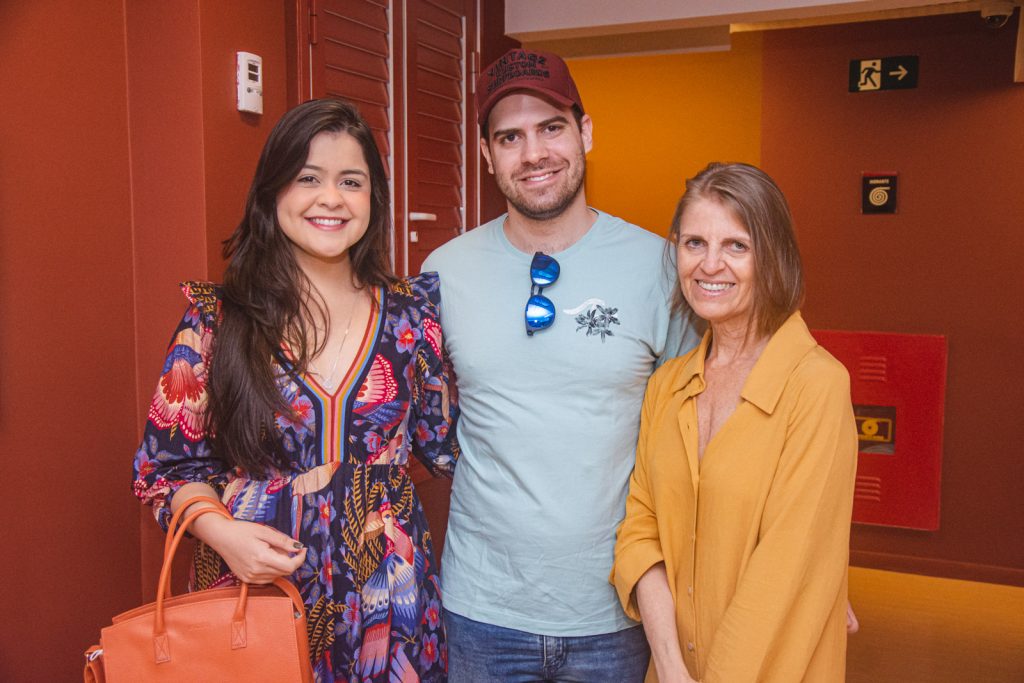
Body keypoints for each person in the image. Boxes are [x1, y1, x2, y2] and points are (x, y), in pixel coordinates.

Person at [132, 98, 460, 683]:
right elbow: (165, 470)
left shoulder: (414, 316)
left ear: (373, 200)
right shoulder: (217, 320)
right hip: (249, 600)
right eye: (308, 177)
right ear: (273, 191)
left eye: (350, 181)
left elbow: (443, 446)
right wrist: (223, 532)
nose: (330, 198)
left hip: (389, 611)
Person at [421, 48, 701, 682]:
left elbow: (702, 433)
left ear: (586, 132)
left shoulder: (659, 268)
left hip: (614, 608)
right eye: (510, 137)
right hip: (481, 611)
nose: (534, 153)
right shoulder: (444, 272)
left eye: (551, 127)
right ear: (487, 156)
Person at [612, 162, 858, 682]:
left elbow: (785, 572)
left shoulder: (817, 386)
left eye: (737, 246)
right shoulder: (667, 386)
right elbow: (640, 534)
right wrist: (673, 668)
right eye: (694, 243)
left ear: (774, 257)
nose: (710, 265)